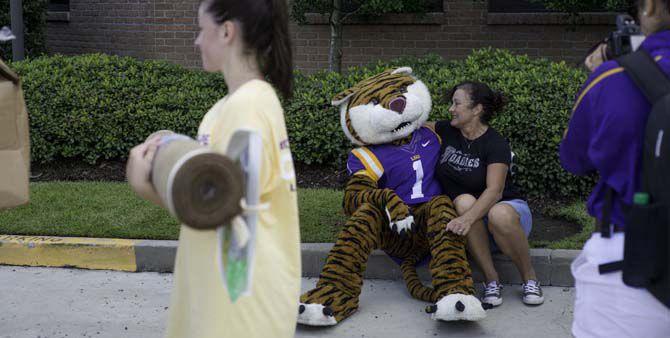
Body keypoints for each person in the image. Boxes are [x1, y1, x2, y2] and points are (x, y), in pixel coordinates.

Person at [125, 0, 301, 337]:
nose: (196, 41)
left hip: (238, 314)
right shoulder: (235, 105)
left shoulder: (246, 108)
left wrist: (144, 182)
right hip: (226, 306)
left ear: (226, 31)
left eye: (200, 30)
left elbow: (224, 210)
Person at [561, 0, 670, 336]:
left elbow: (572, 158)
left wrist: (598, 73)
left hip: (634, 270)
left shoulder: (615, 77)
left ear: (651, 6)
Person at [427, 81, 544, 307]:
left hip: (508, 218)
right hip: (473, 227)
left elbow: (495, 191)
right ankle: (491, 281)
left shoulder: (495, 143)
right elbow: (414, 126)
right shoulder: (446, 130)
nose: (451, 109)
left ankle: (530, 278)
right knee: (463, 201)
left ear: (477, 109)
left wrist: (465, 220)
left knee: (497, 213)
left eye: (457, 103)